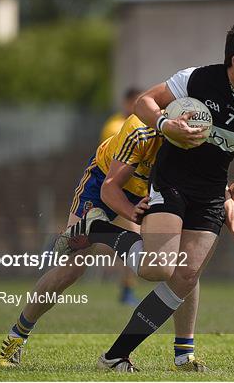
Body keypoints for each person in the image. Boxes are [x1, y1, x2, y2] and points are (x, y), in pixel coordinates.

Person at [0, 114, 234, 372]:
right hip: (105, 183)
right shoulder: (139, 131)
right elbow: (110, 187)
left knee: (187, 262)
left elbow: (218, 192)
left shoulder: (199, 143)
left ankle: (184, 353)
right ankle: (17, 336)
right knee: (73, 266)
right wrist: (131, 212)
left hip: (152, 192)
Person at [95, 20, 234, 372]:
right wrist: (165, 123)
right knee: (159, 269)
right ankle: (104, 233)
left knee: (185, 277)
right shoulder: (196, 80)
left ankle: (116, 356)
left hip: (211, 195)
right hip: (171, 182)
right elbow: (143, 102)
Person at [99, 86, 143, 306]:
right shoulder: (115, 126)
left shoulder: (143, 125)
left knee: (133, 241)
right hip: (115, 191)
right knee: (133, 239)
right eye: (135, 102)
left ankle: (127, 289)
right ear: (126, 103)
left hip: (132, 191)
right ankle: (126, 290)